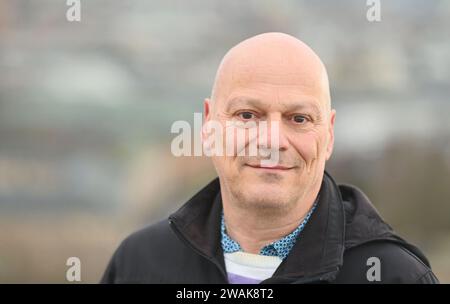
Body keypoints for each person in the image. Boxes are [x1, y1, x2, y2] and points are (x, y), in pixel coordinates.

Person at [101, 32, 439, 284]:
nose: (272, 141)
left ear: (330, 134)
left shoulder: (395, 277)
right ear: (208, 125)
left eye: (299, 118)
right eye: (248, 115)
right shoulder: (139, 264)